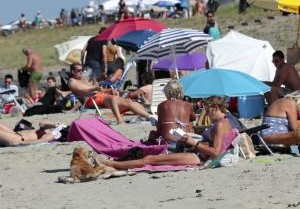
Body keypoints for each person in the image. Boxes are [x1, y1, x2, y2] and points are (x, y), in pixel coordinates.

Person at [95, 96, 237, 169]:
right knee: (152, 158)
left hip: (199, 157)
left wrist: (194, 143)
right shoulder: (224, 122)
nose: (206, 112)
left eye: (207, 109)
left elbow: (216, 152)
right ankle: (114, 164)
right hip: (198, 153)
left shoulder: (220, 124)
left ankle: (113, 165)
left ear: (216, 107)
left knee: (150, 160)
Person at [68, 63, 153, 124]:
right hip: (91, 100)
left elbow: (98, 90)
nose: (81, 72)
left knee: (128, 101)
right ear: (72, 71)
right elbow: (82, 90)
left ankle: (149, 116)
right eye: (79, 70)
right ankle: (119, 120)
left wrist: (110, 90)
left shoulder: (84, 80)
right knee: (113, 98)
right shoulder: (72, 81)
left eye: (82, 70)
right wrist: (94, 87)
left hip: (99, 96)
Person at [147, 79, 196, 148]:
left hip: (168, 140)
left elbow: (159, 128)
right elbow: (194, 118)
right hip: (185, 140)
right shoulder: (188, 104)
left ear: (167, 92)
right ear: (181, 91)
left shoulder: (162, 105)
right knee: (190, 121)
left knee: (152, 133)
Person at [0, 121, 65, 147]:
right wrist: (53, 124)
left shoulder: (53, 135)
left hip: (18, 139)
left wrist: (21, 143)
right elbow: (41, 123)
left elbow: (41, 141)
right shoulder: (51, 130)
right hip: (14, 133)